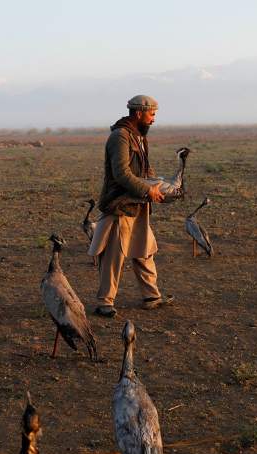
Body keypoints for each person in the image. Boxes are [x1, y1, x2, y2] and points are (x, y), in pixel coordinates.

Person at [88, 94, 174, 318]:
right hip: (120, 205)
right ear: (139, 113)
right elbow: (121, 174)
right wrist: (148, 190)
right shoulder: (120, 137)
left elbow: (145, 171)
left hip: (138, 204)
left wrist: (160, 187)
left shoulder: (139, 137)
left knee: (145, 250)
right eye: (151, 114)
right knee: (113, 256)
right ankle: (105, 303)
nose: (154, 119)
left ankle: (151, 296)